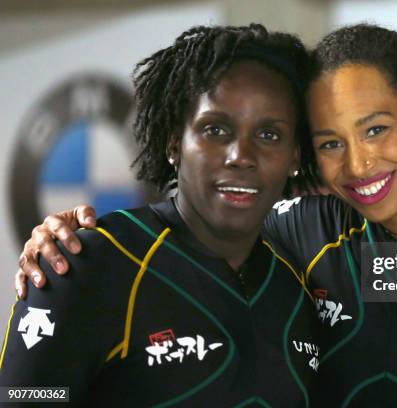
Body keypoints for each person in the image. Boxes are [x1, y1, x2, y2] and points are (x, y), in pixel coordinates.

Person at [15, 24, 397, 407]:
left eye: (375, 129)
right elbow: (189, 242)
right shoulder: (304, 234)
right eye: (330, 143)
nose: (359, 164)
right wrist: (64, 239)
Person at [1, 24, 321, 406]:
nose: (241, 156)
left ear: (295, 157)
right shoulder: (85, 265)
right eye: (215, 129)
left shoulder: (302, 278)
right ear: (174, 142)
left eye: (269, 135)